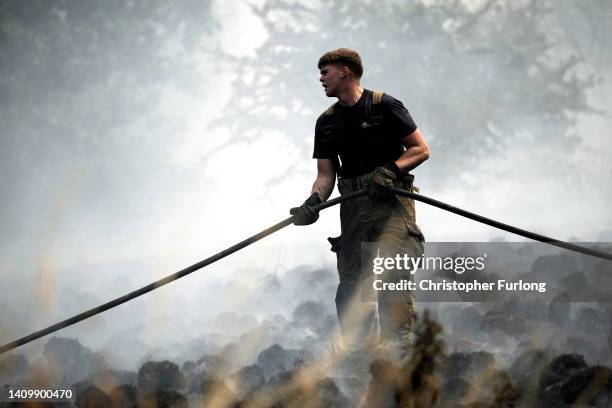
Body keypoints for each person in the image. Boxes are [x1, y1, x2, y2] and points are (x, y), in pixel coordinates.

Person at [290, 48, 430, 351]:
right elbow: (326, 174)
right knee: (352, 285)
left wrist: (389, 171)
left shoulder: (385, 106)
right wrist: (312, 202)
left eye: (324, 72)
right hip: (353, 206)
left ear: (345, 71)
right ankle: (359, 357)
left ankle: (397, 354)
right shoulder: (326, 122)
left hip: (392, 203)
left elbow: (420, 149)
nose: (320, 78)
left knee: (394, 273)